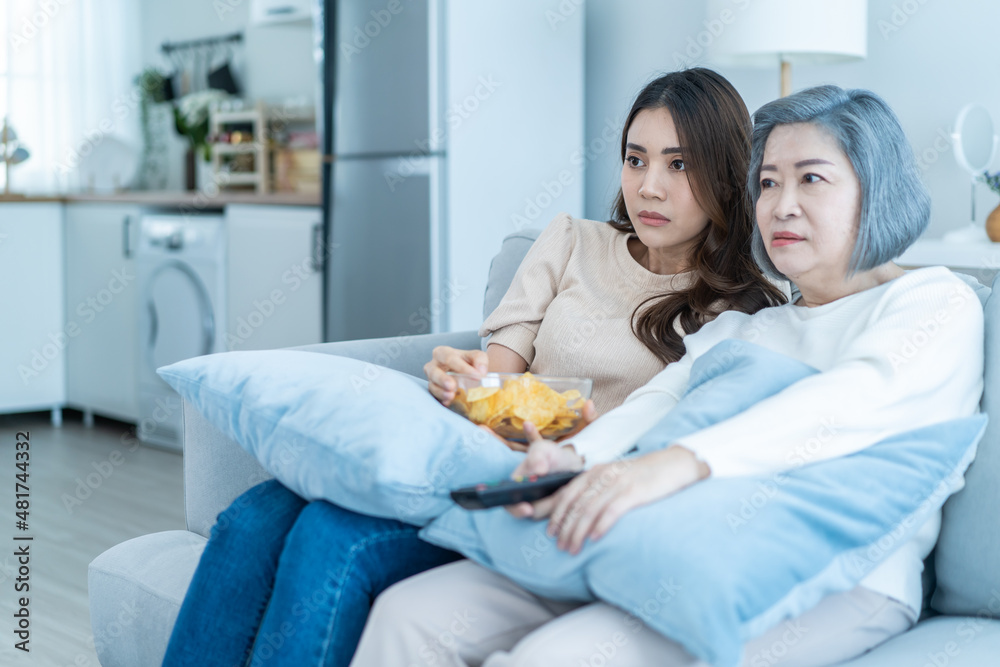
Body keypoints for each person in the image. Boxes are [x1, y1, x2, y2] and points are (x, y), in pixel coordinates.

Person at [161, 68, 787, 667]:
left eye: (679, 164)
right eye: (635, 158)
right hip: (480, 455)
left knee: (329, 538)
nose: (649, 186)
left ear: (727, 177)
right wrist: (462, 379)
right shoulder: (571, 241)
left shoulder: (744, 314)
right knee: (251, 517)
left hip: (551, 501)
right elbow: (497, 387)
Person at [349, 85, 985, 667]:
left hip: (839, 579)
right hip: (675, 546)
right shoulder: (752, 327)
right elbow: (654, 403)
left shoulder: (933, 301)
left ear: (874, 190)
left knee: (560, 657)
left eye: (810, 179)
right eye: (766, 183)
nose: (781, 205)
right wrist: (569, 459)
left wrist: (676, 463)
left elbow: (847, 402)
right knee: (410, 616)